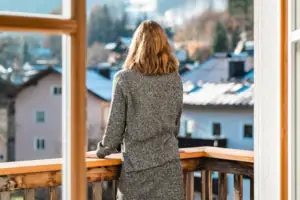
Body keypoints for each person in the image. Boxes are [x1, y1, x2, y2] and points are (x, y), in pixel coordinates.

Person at [88, 20, 184, 200]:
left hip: (137, 170)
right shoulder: (175, 79)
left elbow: (114, 129)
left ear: (136, 45)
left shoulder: (124, 79)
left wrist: (101, 152)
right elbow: (175, 124)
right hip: (170, 167)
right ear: (164, 45)